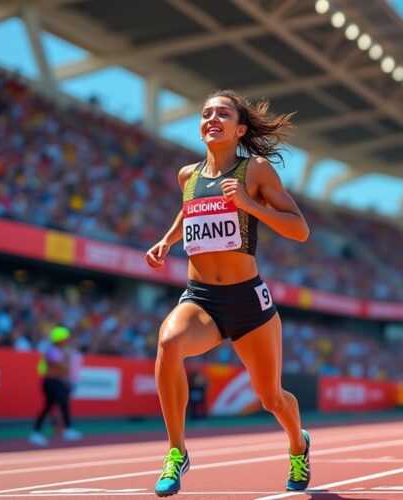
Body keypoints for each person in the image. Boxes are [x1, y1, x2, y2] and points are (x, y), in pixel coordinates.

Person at [145, 90, 311, 496]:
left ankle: (298, 445)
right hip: (201, 298)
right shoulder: (189, 175)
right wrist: (167, 241)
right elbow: (190, 208)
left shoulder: (254, 171)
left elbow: (300, 229)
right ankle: (176, 451)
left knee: (270, 397)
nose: (212, 118)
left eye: (223, 112)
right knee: (168, 343)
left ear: (239, 128)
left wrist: (250, 206)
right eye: (205, 113)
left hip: (248, 302)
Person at [29, 326, 83, 446]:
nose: (67, 341)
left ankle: (63, 429)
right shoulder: (52, 351)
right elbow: (62, 367)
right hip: (51, 382)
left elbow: (65, 368)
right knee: (56, 405)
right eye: (65, 338)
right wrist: (67, 359)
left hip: (57, 382)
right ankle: (38, 432)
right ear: (59, 339)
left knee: (56, 405)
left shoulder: (61, 350)